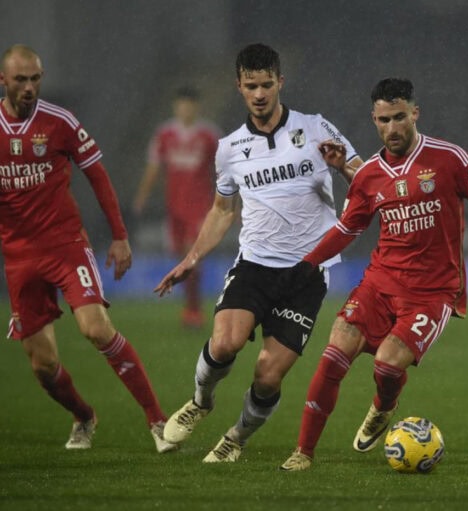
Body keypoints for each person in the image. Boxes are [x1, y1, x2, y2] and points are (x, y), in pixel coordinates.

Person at [279, 78, 468, 471]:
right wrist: (307, 263)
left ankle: (384, 405)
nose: (393, 128)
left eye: (400, 117)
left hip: (434, 291)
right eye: (384, 120)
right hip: (380, 283)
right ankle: (303, 452)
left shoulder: (448, 157)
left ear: (415, 113)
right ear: (374, 119)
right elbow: (347, 228)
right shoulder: (369, 174)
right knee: (334, 354)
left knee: (387, 366)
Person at [154, 43, 364, 463]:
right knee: (225, 342)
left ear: (280, 82)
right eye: (251, 86)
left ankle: (237, 436)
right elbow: (221, 210)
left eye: (267, 84)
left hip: (306, 274)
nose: (260, 93)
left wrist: (343, 166)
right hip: (254, 264)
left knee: (268, 373)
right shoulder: (229, 149)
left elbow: (366, 177)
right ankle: (200, 401)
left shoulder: (316, 127)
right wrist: (190, 259)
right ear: (240, 87)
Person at [0, 44, 176, 453]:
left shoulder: (59, 122)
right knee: (43, 367)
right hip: (19, 258)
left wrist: (119, 235)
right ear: (4, 81)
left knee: (95, 328)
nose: (29, 87)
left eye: (36, 79)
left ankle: (157, 420)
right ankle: (83, 416)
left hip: (66, 246)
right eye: (21, 80)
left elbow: (96, 174)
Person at [132, 86, 222, 329]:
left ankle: (194, 310)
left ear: (196, 107)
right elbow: (154, 167)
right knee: (181, 258)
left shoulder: (209, 135)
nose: (186, 109)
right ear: (176, 106)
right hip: (174, 208)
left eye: (190, 104)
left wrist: (228, 202)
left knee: (193, 257)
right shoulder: (164, 134)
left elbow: (224, 170)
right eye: (182, 104)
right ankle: (191, 307)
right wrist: (142, 196)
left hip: (200, 207)